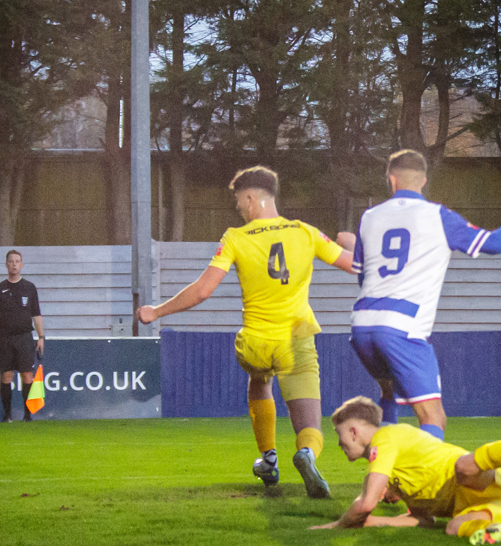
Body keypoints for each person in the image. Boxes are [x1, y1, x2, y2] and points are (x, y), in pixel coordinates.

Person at [138, 166, 355, 498]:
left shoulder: (235, 238)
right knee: (309, 421)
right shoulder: (306, 232)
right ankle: (307, 454)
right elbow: (356, 266)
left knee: (259, 381)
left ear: (252, 197)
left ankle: (268, 458)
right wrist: (357, 244)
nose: (238, 207)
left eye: (239, 200)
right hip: (296, 340)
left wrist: (157, 311)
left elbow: (201, 292)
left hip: (254, 342)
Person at [337, 149, 501, 440]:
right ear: (424, 181)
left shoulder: (369, 217)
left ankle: (382, 477)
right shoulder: (438, 216)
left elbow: (362, 275)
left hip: (362, 324)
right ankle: (425, 483)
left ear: (391, 179)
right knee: (433, 417)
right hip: (403, 325)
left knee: (389, 393)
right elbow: (495, 244)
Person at [312, 396, 501, 545]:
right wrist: (370, 523)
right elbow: (423, 520)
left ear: (354, 431)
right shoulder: (398, 471)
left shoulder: (386, 439)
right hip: (495, 506)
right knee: (454, 528)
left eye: (340, 433)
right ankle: (498, 528)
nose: (339, 443)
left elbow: (366, 502)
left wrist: (338, 525)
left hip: (487, 478)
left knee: (463, 467)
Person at [0, 250, 45, 423]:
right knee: (6, 376)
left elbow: (36, 314)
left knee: (27, 375)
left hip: (25, 337)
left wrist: (41, 337)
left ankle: (27, 415)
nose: (14, 264)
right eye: (11, 261)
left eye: (17, 261)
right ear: (6, 264)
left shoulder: (29, 288)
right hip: (5, 338)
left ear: (22, 264)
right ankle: (7, 415)